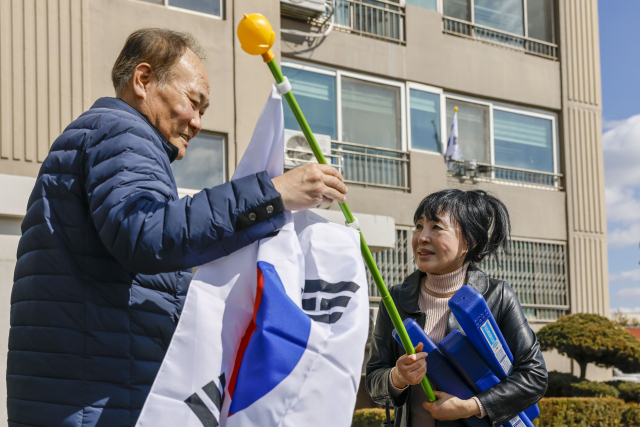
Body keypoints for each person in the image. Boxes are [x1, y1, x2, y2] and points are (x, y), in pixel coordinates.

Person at [6, 28, 347, 427]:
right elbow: (147, 233)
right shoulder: (124, 132)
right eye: (193, 102)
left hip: (83, 392)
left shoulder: (101, 135)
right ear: (143, 80)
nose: (198, 122)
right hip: (97, 403)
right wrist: (273, 194)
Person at [366, 189, 547, 427]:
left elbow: (534, 376)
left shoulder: (497, 296)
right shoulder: (397, 299)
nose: (422, 237)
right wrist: (397, 377)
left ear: (468, 242)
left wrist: (471, 407)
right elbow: (374, 379)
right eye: (419, 226)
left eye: (436, 227)